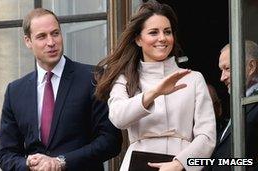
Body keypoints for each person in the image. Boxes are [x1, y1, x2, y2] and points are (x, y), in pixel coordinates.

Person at [94, 1, 216, 171]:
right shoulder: (125, 79)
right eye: (153, 32)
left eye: (167, 32)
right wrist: (155, 92)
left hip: (181, 164)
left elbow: (207, 135)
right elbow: (118, 118)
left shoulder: (194, 79)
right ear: (138, 39)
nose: (162, 38)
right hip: (137, 163)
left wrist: (179, 164)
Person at [0, 8, 122, 171]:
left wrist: (61, 161)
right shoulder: (15, 91)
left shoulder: (93, 78)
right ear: (28, 41)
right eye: (42, 36)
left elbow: (110, 141)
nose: (51, 42)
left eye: (55, 33)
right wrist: (28, 164)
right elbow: (5, 154)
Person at [210, 40, 258, 171]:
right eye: (221, 70)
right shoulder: (240, 104)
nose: (222, 77)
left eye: (227, 69)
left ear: (251, 67)